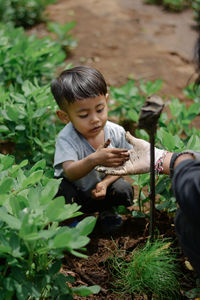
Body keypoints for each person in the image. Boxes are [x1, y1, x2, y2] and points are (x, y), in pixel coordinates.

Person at [51, 65, 134, 233]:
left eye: (100, 109)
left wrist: (105, 183)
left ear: (107, 100)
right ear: (65, 116)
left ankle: (107, 211)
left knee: (122, 188)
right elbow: (70, 172)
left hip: (102, 190)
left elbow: (125, 163)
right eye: (83, 115)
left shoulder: (116, 132)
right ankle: (71, 219)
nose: (95, 119)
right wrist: (94, 159)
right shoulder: (67, 138)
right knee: (60, 189)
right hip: (77, 194)